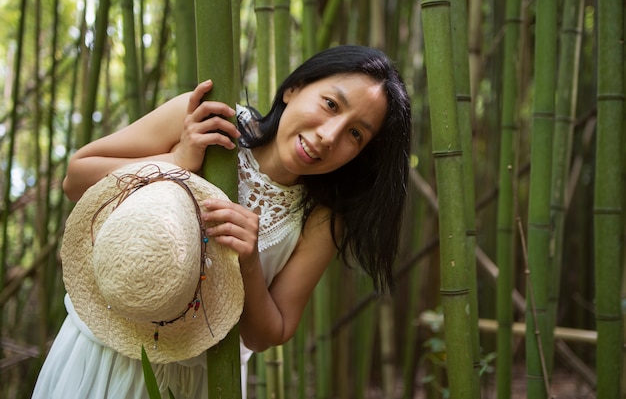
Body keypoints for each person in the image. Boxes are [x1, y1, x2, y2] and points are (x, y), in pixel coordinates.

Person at [32, 45, 412, 398]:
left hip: (206, 380)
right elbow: (77, 179)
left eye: (355, 134)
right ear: (293, 88)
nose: (329, 136)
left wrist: (248, 264)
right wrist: (178, 160)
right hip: (102, 353)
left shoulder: (319, 218)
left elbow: (269, 333)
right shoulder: (209, 119)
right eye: (330, 104)